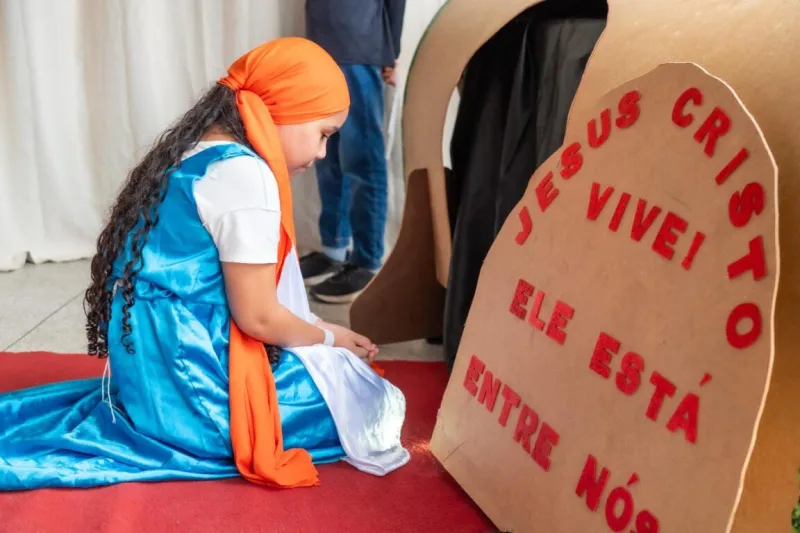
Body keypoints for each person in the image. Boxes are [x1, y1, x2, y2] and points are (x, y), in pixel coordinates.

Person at [0, 38, 409, 491]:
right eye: (323, 134)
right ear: (284, 112)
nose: (321, 155)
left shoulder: (195, 147)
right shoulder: (247, 176)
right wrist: (331, 336)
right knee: (367, 400)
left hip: (154, 362)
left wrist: (318, 335)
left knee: (337, 376)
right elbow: (257, 317)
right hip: (188, 374)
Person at [300, 0, 407, 303]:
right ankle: (335, 248)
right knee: (327, 155)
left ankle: (367, 261)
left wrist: (390, 52)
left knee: (361, 157)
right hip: (321, 44)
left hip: (360, 44)